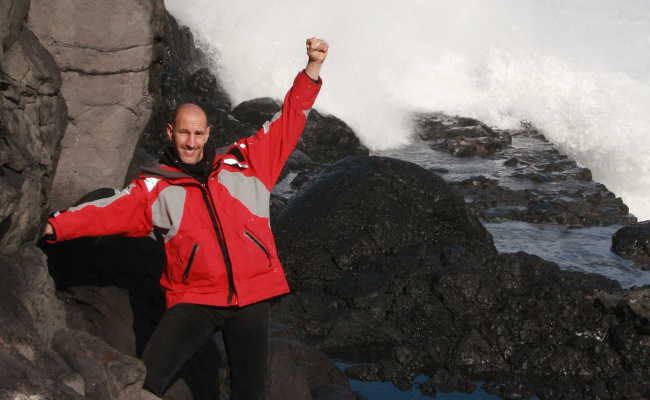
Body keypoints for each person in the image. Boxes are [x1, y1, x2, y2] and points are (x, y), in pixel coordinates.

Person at [44, 37, 329, 400]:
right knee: (147, 382)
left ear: (209, 134)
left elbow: (288, 120)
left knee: (250, 393)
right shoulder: (155, 187)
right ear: (170, 133)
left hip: (251, 298)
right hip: (195, 299)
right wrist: (53, 226)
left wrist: (312, 69)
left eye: (198, 133)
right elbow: (105, 212)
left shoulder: (247, 163)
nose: (191, 142)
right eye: (184, 133)